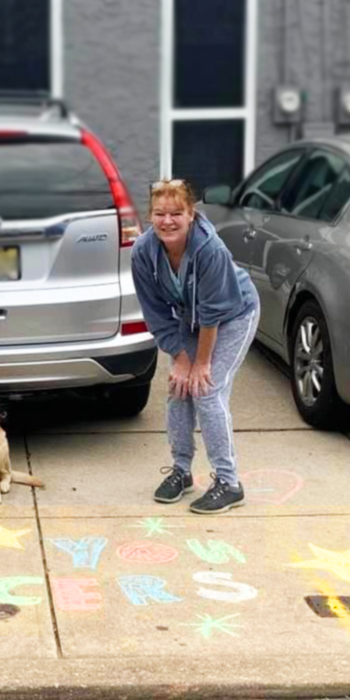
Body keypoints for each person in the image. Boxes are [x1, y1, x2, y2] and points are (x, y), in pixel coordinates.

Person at [131, 179, 259, 514]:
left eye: (176, 213)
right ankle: (182, 470)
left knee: (207, 389)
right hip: (190, 319)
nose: (167, 221)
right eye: (160, 213)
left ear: (191, 215)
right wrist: (180, 357)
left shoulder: (209, 249)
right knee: (178, 387)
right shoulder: (143, 252)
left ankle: (229, 483)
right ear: (150, 216)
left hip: (234, 315)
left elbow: (213, 313)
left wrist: (199, 363)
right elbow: (155, 313)